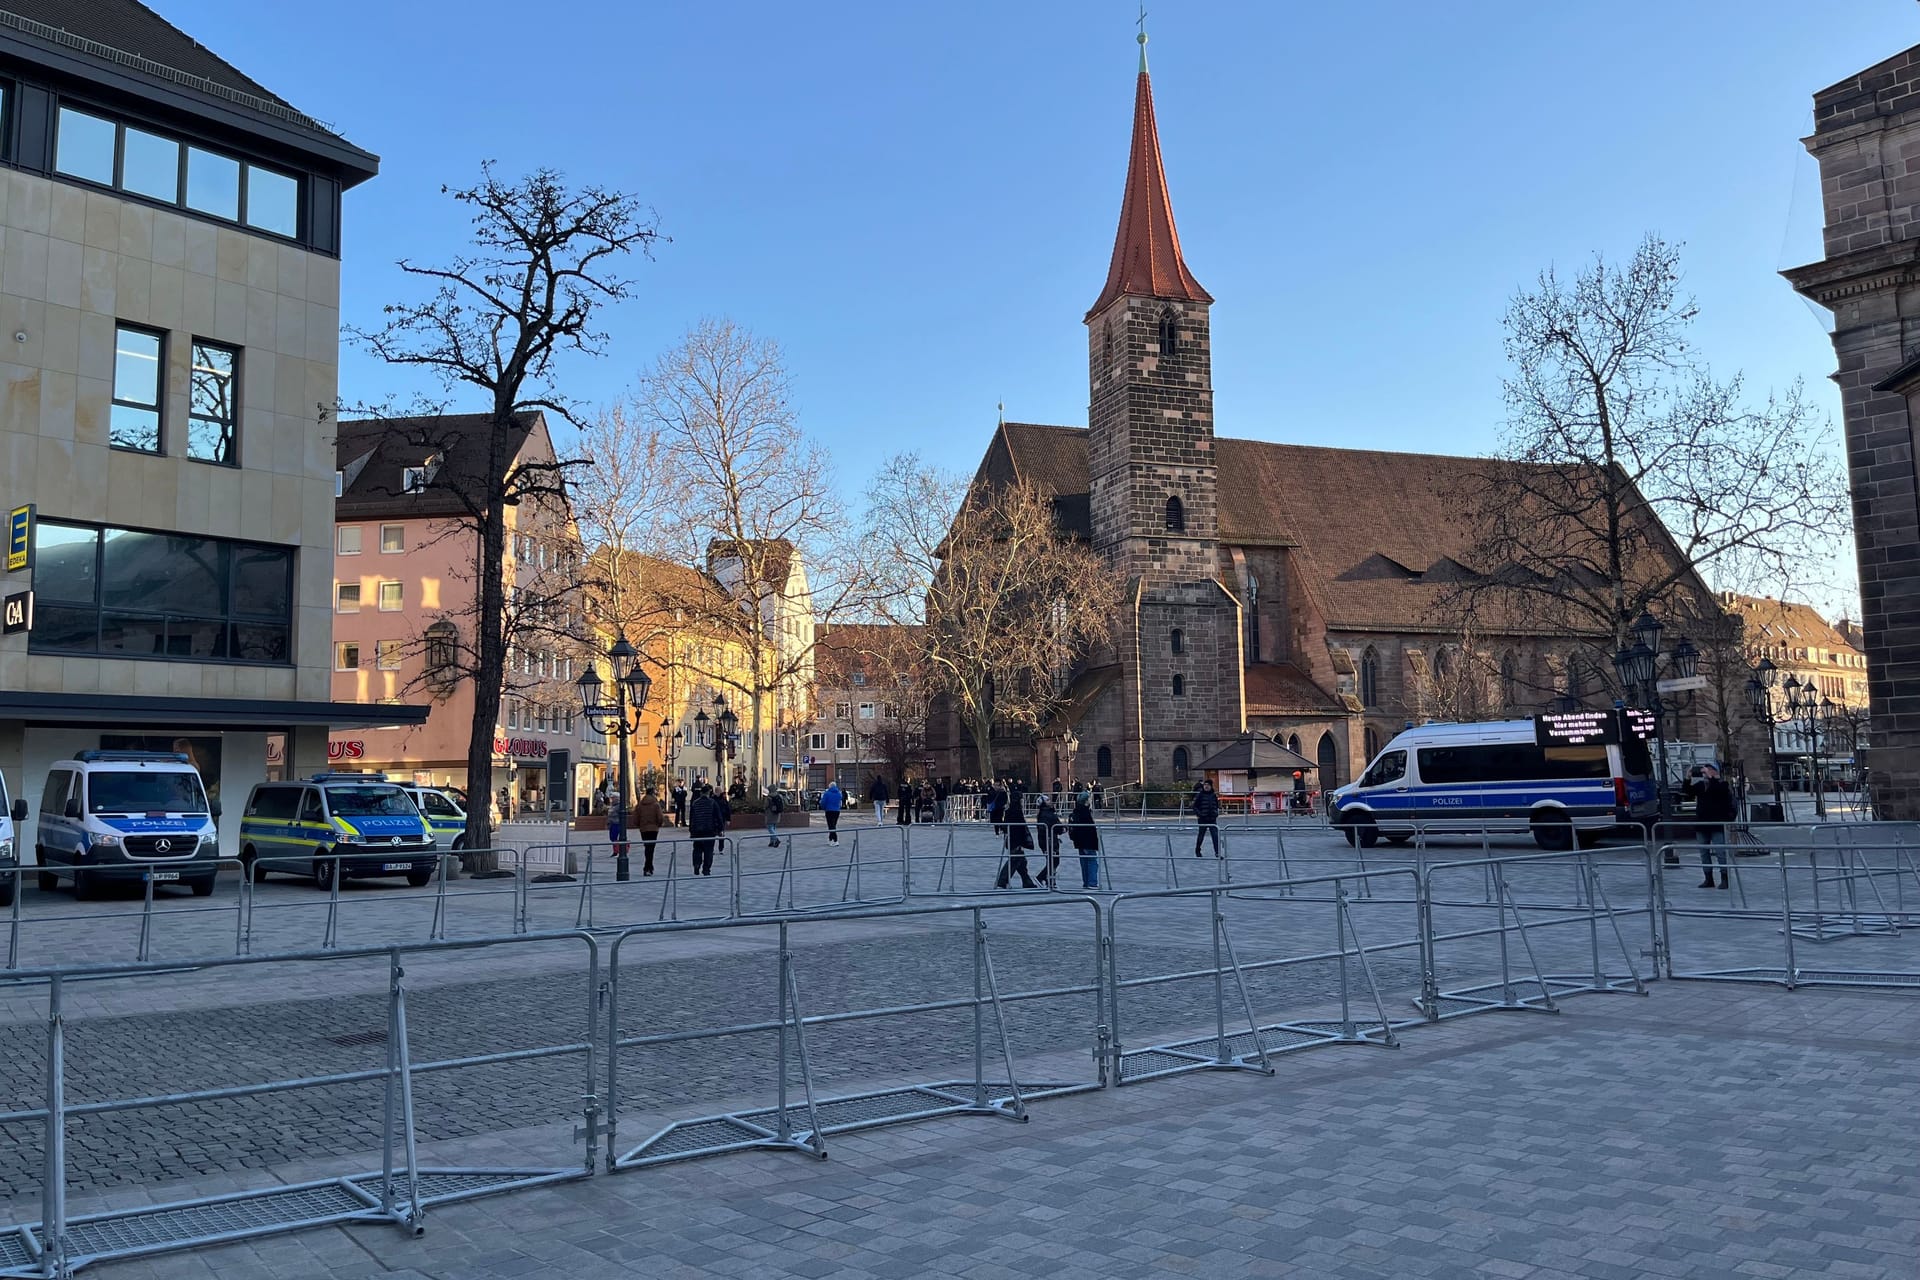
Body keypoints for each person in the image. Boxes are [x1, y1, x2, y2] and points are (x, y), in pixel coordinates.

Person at [1688, 761, 1737, 889]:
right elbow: (1688, 792)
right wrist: (1687, 777)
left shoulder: (1722, 785)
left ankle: (1724, 878)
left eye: (1707, 771)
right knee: (1704, 853)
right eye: (1703, 772)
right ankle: (1708, 878)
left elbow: (1717, 792)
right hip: (1702, 824)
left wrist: (1712, 778)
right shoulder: (1700, 785)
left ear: (1714, 771)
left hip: (1717, 824)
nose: (1704, 774)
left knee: (1720, 852)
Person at [995, 782, 1038, 889]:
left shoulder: (1011, 811)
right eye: (1021, 800)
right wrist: (1020, 842)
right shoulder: (1015, 812)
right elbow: (1017, 829)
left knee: (1022, 862)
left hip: (1013, 840)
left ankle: (1027, 881)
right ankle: (1002, 880)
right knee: (1015, 860)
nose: (1023, 802)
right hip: (1015, 841)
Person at [687, 782, 723, 876]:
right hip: (709, 830)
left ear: (700, 793)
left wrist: (691, 831)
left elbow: (691, 818)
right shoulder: (712, 803)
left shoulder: (695, 803)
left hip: (697, 831)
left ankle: (696, 864)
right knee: (708, 851)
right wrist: (720, 829)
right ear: (708, 793)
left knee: (697, 849)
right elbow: (718, 817)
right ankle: (706, 869)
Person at [1069, 787, 1101, 889]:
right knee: (1092, 861)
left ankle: (1086, 882)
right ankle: (1092, 883)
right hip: (1087, 841)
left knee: (1084, 862)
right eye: (1089, 799)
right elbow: (1088, 828)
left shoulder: (1076, 811)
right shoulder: (1085, 812)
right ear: (1086, 801)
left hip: (1079, 841)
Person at [632, 786, 664, 876]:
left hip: (644, 829)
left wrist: (639, 825)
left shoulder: (640, 805)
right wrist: (659, 825)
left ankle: (648, 867)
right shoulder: (656, 804)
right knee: (651, 848)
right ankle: (648, 867)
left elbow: (635, 818)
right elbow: (660, 817)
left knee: (647, 847)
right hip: (653, 829)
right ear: (653, 793)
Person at [1034, 793, 1062, 885]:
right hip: (1049, 840)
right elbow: (1055, 825)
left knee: (1052, 860)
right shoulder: (1047, 814)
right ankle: (1041, 877)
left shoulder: (1046, 813)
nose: (1050, 802)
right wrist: (1062, 829)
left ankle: (1049, 879)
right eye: (1047, 800)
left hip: (1049, 839)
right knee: (1054, 861)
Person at [1191, 778, 1221, 858]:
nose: (1206, 786)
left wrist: (1216, 813)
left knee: (1215, 836)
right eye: (1205, 785)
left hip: (1212, 819)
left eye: (1208, 785)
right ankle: (1197, 850)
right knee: (1201, 836)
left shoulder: (1213, 795)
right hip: (1202, 819)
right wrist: (1199, 814)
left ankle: (1217, 853)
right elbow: (1194, 806)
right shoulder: (1200, 794)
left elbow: (1217, 805)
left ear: (1211, 786)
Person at [820, 779, 845, 843]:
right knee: (833, 825)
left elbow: (823, 802)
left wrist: (823, 808)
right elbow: (840, 802)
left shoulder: (827, 793)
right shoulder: (839, 794)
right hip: (837, 811)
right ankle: (831, 839)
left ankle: (835, 840)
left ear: (829, 786)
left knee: (831, 825)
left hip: (829, 810)